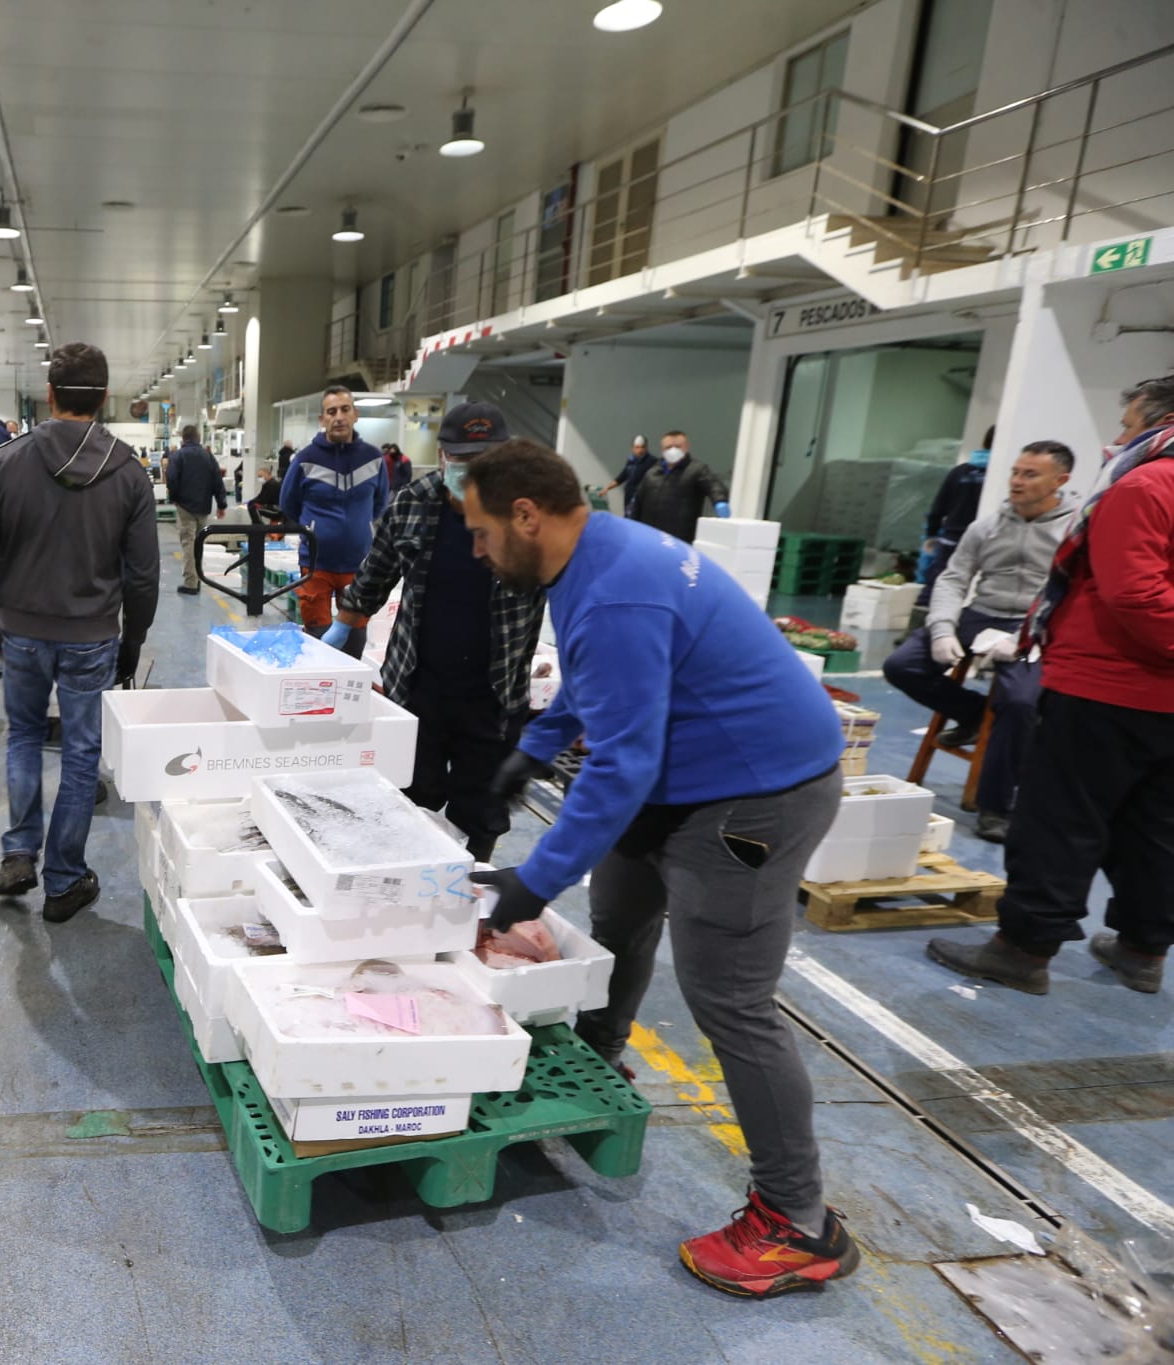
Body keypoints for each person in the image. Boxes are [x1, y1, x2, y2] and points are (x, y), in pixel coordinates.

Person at [463, 438, 855, 1297]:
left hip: (753, 795)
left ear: (526, 516)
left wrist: (535, 878)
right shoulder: (597, 552)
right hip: (690, 775)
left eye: (483, 532)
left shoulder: (617, 591)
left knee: (731, 998)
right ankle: (602, 1052)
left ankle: (798, 1221)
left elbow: (622, 764)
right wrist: (533, 747)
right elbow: (602, 684)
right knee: (624, 909)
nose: (479, 550)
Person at [927, 378, 1174, 997]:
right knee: (1156, 826)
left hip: (1108, 686)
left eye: (1126, 424)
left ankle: (1023, 948)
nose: (1117, 439)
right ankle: (1143, 949)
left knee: (1061, 818)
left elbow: (1135, 594)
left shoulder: (1145, 485)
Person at [0, 342, 158, 923]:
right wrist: (134, 640)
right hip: (92, 634)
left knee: (22, 735)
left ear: (49, 395)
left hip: (19, 630)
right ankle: (65, 879)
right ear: (103, 397)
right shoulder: (127, 470)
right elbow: (143, 573)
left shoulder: (7, 461)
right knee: (80, 750)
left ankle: (20, 849)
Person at [323, 404, 545, 862]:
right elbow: (376, 572)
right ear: (443, 456)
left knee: (480, 813)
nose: (474, 473)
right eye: (463, 461)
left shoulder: (530, 516)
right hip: (419, 687)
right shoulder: (412, 503)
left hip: (495, 694)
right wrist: (342, 628)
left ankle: (466, 901)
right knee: (408, 799)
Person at [882, 442, 1075, 842]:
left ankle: (995, 807)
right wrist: (941, 629)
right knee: (902, 665)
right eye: (1016, 472)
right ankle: (971, 715)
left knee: (1020, 702)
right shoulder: (986, 526)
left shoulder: (1075, 531)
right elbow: (954, 578)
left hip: (1036, 622)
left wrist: (1027, 635)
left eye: (1030, 474)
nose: (1017, 482)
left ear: (1061, 481)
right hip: (982, 614)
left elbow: (1072, 591)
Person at [280, 386, 388, 651]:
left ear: (355, 414)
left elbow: (379, 504)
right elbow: (288, 504)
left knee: (355, 635)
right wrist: (315, 529)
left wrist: (356, 527)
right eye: (331, 411)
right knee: (317, 634)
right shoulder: (305, 460)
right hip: (316, 564)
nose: (338, 416)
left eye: (344, 409)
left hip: (358, 564)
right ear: (322, 420)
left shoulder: (373, 459)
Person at [918, 427, 994, 595]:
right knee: (974, 592)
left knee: (938, 589)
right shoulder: (1001, 474)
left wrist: (931, 535)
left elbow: (938, 508)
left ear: (984, 443)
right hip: (986, 543)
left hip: (952, 540)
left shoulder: (959, 472)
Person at [629, 430, 729, 542]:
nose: (672, 450)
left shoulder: (697, 470)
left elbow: (713, 485)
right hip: (650, 537)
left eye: (677, 446)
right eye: (668, 447)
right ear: (662, 450)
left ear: (686, 448)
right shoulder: (652, 473)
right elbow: (638, 500)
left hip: (680, 539)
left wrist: (720, 501)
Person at [165, 424, 227, 596]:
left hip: (185, 507)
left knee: (188, 543)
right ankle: (198, 579)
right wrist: (221, 504)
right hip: (203, 506)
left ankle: (191, 583)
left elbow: (171, 478)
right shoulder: (208, 456)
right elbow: (217, 481)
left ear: (183, 438)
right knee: (199, 543)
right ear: (198, 437)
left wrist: (175, 498)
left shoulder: (178, 456)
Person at [602, 434, 657, 514]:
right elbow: (621, 477)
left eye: (643, 447)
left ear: (646, 447)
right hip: (629, 499)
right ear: (633, 448)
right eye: (637, 447)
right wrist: (607, 488)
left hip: (642, 501)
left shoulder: (652, 461)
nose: (640, 450)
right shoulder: (631, 461)